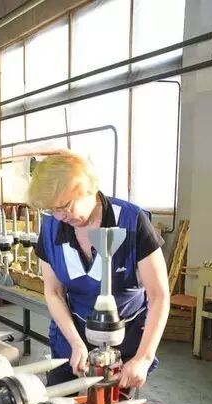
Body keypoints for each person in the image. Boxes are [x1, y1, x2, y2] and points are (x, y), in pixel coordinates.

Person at [29, 152, 170, 389]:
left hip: (123, 340)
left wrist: (143, 358)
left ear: (88, 188)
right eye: (52, 209)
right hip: (71, 334)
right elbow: (53, 292)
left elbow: (159, 295)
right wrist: (75, 342)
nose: (60, 216)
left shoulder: (132, 221)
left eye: (65, 206)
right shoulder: (52, 227)